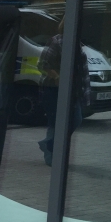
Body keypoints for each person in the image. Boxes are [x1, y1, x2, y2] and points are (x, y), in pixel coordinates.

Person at [37, 18, 90, 166]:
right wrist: (57, 76)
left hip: (72, 91)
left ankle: (49, 145)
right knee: (55, 123)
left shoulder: (78, 45)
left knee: (76, 119)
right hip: (54, 91)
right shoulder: (57, 41)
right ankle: (51, 158)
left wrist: (84, 93)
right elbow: (42, 64)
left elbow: (82, 71)